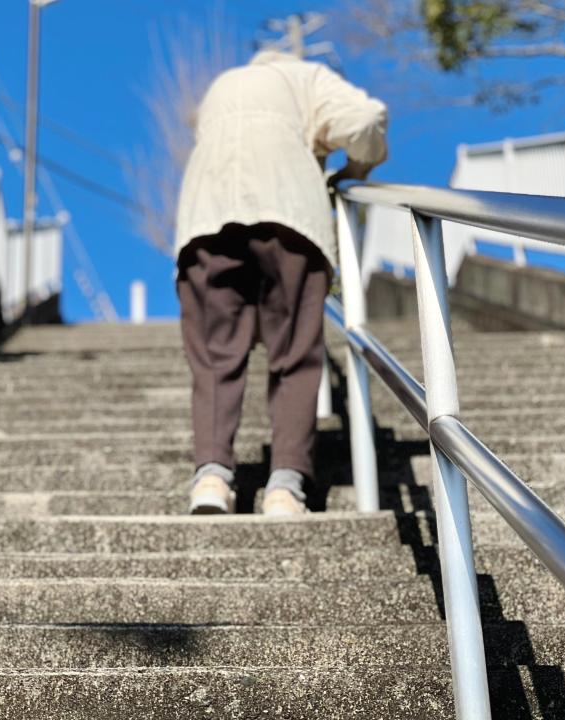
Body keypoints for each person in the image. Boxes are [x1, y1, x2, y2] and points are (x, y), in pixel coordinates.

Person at [175, 49, 388, 517]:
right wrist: (355, 171)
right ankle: (285, 487)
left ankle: (211, 477)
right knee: (293, 352)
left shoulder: (222, 84)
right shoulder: (307, 77)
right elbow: (366, 118)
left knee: (214, 355)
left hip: (205, 215)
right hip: (288, 210)